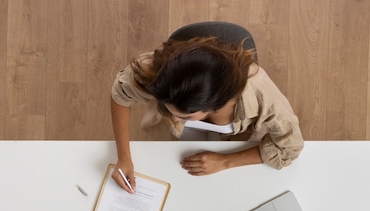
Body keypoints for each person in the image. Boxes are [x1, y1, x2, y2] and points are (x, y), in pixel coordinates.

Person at [110, 36, 304, 193]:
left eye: (186, 116)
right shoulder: (152, 70)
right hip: (169, 148)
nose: (175, 119)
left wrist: (225, 161)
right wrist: (124, 157)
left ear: (216, 104)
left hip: (232, 151)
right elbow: (120, 94)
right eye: (167, 109)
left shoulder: (261, 93)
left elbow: (290, 147)